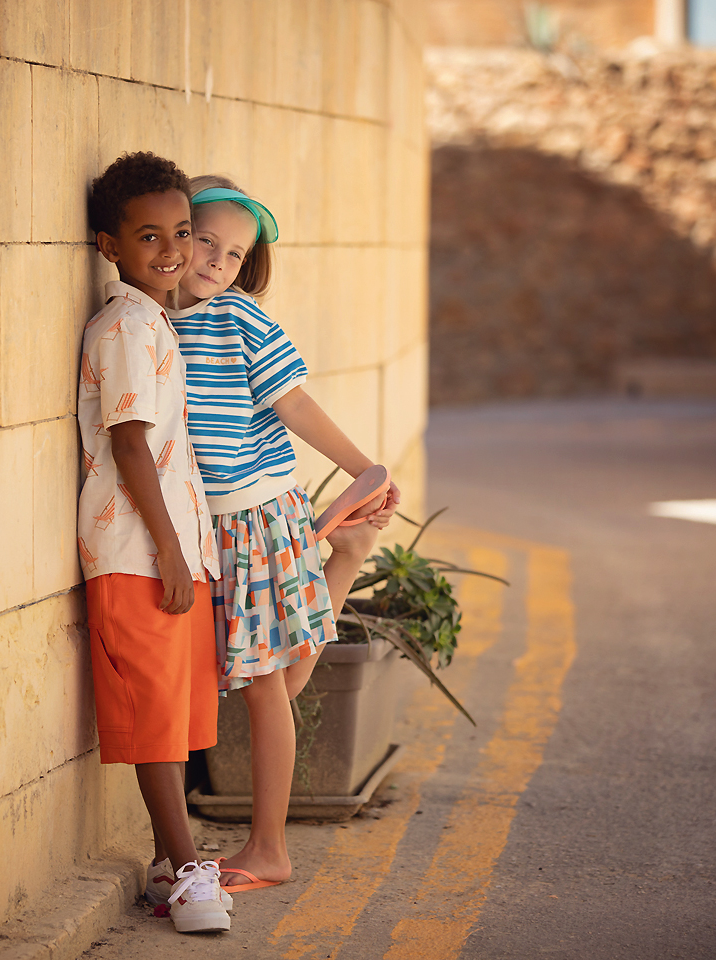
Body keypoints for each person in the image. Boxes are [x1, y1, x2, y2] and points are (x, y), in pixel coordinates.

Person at [167, 175, 400, 889]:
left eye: (235, 253)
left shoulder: (238, 318)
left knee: (267, 683)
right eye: (207, 240)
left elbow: (293, 402)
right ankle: (347, 559)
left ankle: (269, 847)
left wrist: (364, 467)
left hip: (254, 518)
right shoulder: (154, 319)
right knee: (275, 676)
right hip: (216, 524)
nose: (217, 259)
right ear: (178, 236)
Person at [78, 152, 231, 933]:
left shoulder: (152, 319)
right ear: (110, 244)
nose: (173, 251)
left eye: (181, 232)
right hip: (139, 552)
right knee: (155, 715)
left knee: (172, 713)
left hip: (166, 549)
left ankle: (179, 862)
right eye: (149, 236)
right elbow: (131, 445)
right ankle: (189, 872)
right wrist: (171, 551)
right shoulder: (126, 326)